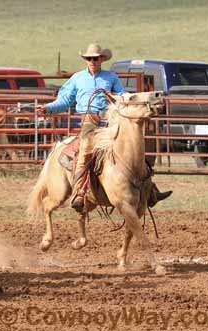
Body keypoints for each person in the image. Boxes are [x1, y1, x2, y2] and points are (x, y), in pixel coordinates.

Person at [36, 43, 172, 211]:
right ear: (86, 60)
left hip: (110, 121)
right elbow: (64, 101)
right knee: (84, 152)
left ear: (101, 59)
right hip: (89, 123)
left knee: (132, 148)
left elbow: (122, 96)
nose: (93, 61)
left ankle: (149, 190)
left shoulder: (111, 78)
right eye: (90, 58)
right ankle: (79, 191)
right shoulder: (78, 79)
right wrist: (48, 108)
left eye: (96, 58)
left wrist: (117, 97)